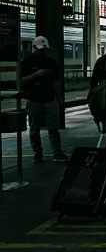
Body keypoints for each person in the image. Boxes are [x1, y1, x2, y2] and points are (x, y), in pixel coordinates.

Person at [19, 36, 67, 164]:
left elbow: (55, 82)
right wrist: (36, 74)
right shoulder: (26, 63)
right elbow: (21, 82)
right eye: (40, 49)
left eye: (45, 50)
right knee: (34, 128)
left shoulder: (51, 62)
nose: (43, 52)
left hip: (49, 98)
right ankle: (37, 153)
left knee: (53, 127)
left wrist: (60, 99)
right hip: (33, 99)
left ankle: (57, 152)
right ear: (34, 48)